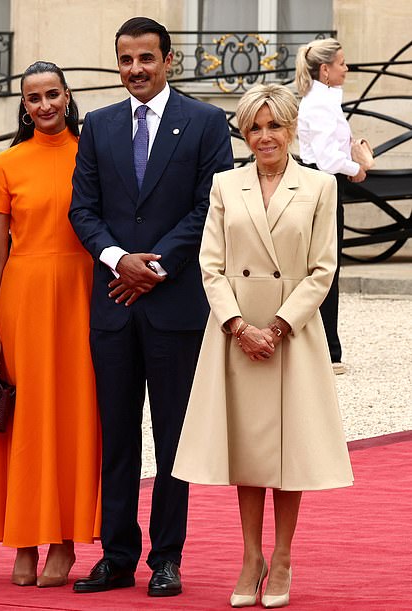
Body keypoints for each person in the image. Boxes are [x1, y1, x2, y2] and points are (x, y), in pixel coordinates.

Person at [69, 17, 233, 597]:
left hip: (175, 308)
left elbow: (211, 206)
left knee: (171, 441)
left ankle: (166, 558)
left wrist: (154, 266)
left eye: (145, 58)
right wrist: (120, 260)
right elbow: (82, 209)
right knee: (116, 437)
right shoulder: (99, 125)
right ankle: (117, 556)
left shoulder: (207, 123)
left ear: (168, 59)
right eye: (124, 60)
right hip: (113, 303)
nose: (134, 69)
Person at [173, 84, 354, 609]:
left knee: (287, 449)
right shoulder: (226, 185)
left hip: (290, 334)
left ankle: (281, 557)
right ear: (244, 132)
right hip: (236, 334)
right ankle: (250, 556)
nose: (265, 136)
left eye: (275, 125)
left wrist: (276, 327)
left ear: (292, 128)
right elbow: (211, 264)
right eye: (255, 127)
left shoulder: (319, 186)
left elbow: (323, 270)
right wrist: (237, 325)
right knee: (248, 448)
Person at [0, 61, 101, 588]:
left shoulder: (93, 155)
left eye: (52, 94)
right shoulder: (5, 164)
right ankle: (22, 538)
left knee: (71, 417)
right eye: (33, 98)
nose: (44, 105)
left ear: (67, 96)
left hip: (81, 296)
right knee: (22, 421)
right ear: (23, 105)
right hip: (22, 300)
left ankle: (65, 540)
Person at [295, 37, 367, 375]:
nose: (346, 68)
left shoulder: (322, 99)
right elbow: (325, 157)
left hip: (321, 184)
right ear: (325, 69)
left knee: (323, 265)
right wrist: (356, 168)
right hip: (322, 185)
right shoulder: (320, 103)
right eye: (341, 63)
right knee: (325, 266)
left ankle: (326, 348)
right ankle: (327, 351)